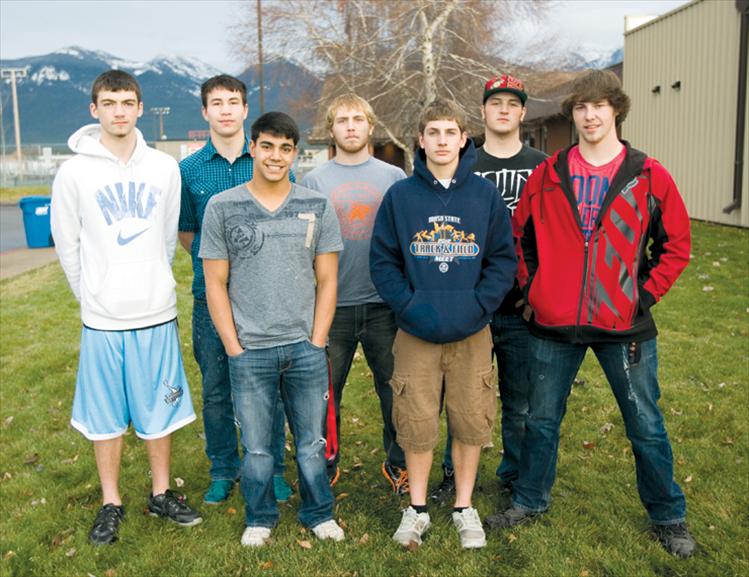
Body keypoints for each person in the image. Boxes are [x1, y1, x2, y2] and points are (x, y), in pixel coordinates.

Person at [487, 69, 696, 558]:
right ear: (573, 114)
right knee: (539, 420)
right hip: (552, 324)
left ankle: (668, 515)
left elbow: (677, 246)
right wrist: (533, 289)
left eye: (599, 105)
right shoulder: (548, 173)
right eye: (581, 107)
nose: (590, 114)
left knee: (644, 422)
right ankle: (530, 501)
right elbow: (519, 238)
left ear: (616, 110)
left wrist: (641, 295)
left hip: (624, 326)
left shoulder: (647, 174)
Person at [51, 69, 202, 546]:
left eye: (128, 102)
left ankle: (161, 493)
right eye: (110, 102)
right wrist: (92, 295)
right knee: (104, 415)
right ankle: (111, 501)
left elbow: (162, 238)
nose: (119, 111)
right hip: (102, 318)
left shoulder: (163, 168)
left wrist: (152, 284)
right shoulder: (74, 171)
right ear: (94, 110)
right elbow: (67, 244)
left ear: (140, 108)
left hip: (155, 310)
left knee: (160, 407)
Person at [370, 99, 516, 549]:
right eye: (432, 132)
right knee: (415, 420)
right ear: (420, 140)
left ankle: (463, 505)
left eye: (450, 132)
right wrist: (410, 306)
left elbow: (502, 259)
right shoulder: (401, 196)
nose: (441, 141)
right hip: (416, 331)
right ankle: (416, 509)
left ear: (463, 138)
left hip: (472, 331)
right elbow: (384, 261)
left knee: (471, 419)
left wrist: (478, 306)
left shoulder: (483, 195)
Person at [200, 111, 345, 547]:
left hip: (303, 346)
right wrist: (233, 345)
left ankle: (318, 512)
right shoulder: (223, 207)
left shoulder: (316, 205)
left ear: (294, 154)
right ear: (253, 148)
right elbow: (215, 282)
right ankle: (259, 516)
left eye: (285, 148)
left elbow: (328, 279)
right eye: (267, 146)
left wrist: (317, 340)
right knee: (259, 447)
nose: (276, 156)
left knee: (311, 442)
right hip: (251, 349)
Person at [432, 75, 547, 504]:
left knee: (519, 400)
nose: (502, 109)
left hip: (522, 306)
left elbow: (552, 234)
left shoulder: (541, 165)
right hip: (467, 302)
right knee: (458, 398)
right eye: (494, 102)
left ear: (522, 112)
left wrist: (539, 292)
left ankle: (514, 474)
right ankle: (450, 474)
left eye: (511, 103)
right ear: (482, 111)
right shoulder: (463, 164)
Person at [179, 75, 291, 505]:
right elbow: (187, 233)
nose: (226, 110)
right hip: (211, 298)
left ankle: (273, 469)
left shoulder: (267, 159)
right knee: (216, 388)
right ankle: (224, 469)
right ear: (205, 112)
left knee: (270, 387)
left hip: (265, 298)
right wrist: (220, 271)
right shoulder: (188, 170)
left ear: (246, 110)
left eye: (234, 102)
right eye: (216, 103)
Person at [301, 93, 409, 493]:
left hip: (384, 304)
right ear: (331, 129)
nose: (350, 126)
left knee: (394, 388)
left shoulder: (393, 177)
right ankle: (325, 466)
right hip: (333, 306)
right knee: (325, 395)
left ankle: (398, 464)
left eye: (357, 119)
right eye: (342, 120)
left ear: (370, 126)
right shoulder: (314, 181)